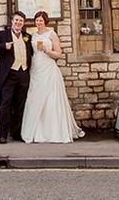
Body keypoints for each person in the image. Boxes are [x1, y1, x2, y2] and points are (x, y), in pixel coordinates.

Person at [20, 10, 85, 143]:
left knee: (51, 99)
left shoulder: (52, 34)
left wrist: (47, 50)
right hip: (36, 69)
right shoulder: (32, 36)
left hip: (48, 68)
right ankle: (36, 131)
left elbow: (58, 54)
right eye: (37, 20)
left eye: (41, 20)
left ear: (45, 22)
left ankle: (54, 131)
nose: (38, 22)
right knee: (35, 98)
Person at [0, 10, 33, 143]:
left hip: (23, 73)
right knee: (6, 104)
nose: (19, 23)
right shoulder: (3, 35)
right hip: (9, 74)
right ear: (12, 22)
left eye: (21, 21)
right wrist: (3, 46)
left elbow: (32, 53)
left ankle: (16, 133)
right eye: (16, 20)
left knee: (20, 104)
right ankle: (3, 134)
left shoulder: (27, 37)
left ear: (23, 23)